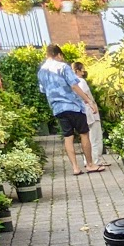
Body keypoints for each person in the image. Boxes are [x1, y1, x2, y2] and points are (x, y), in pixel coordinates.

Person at [37, 44, 99, 174]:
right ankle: (90, 164)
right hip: (74, 106)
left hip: (57, 108)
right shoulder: (63, 67)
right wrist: (88, 101)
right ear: (58, 55)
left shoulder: (41, 71)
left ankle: (75, 168)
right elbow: (74, 86)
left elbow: (43, 90)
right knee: (84, 134)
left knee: (68, 137)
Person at [73, 60, 104, 164]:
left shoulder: (72, 82)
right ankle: (96, 160)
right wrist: (92, 104)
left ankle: (89, 160)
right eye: (82, 70)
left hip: (81, 111)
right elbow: (86, 95)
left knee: (88, 136)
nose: (83, 72)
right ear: (77, 71)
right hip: (90, 110)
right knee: (95, 136)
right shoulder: (81, 82)